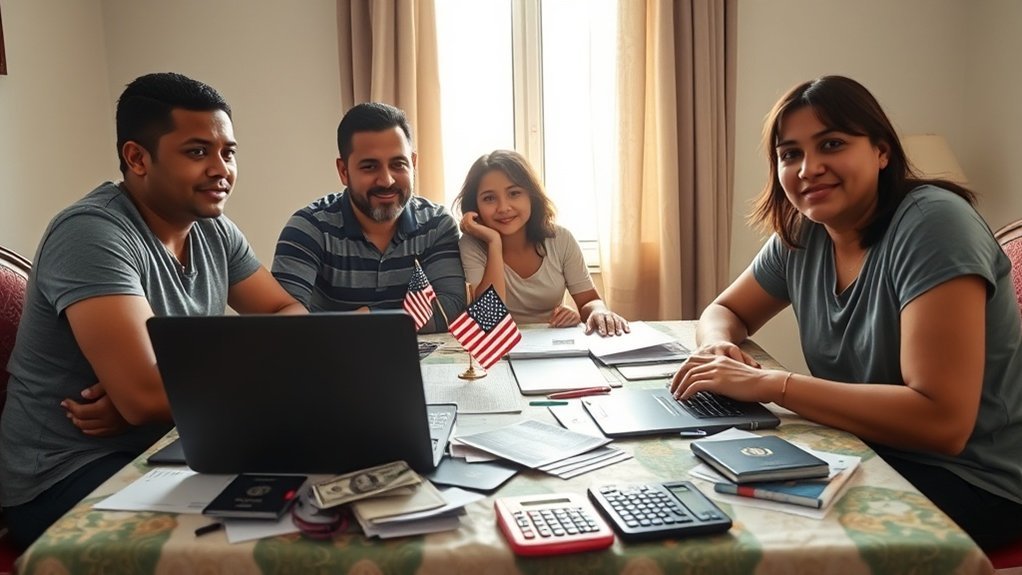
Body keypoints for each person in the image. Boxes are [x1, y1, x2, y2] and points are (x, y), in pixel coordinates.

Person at [669, 75, 1022, 550]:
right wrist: (719, 346)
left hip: (973, 479)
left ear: (881, 152)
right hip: (864, 448)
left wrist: (773, 385)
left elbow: (942, 423)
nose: (809, 168)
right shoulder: (803, 232)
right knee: (698, 484)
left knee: (748, 535)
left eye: (831, 144)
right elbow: (725, 309)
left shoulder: (935, 224)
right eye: (790, 154)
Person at [0, 72, 306, 548]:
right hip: (66, 473)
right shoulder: (90, 234)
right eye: (197, 152)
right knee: (250, 538)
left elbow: (288, 312)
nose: (221, 169)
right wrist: (154, 400)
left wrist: (172, 393)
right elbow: (144, 397)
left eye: (228, 152)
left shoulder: (214, 229)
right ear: (137, 158)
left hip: (165, 442)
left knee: (307, 490)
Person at [272, 103, 465, 332]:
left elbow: (451, 309)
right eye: (370, 167)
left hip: (416, 356)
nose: (387, 180)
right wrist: (381, 320)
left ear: (413, 164)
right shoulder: (308, 228)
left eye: (398, 164)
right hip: (332, 353)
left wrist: (369, 316)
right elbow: (286, 322)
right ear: (344, 171)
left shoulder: (437, 225)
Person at [455, 150, 628, 336]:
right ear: (475, 205)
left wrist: (598, 311)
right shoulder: (471, 246)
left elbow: (588, 301)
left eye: (514, 193)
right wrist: (494, 243)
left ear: (531, 195)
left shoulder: (560, 239)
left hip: (553, 343)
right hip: (501, 344)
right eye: (489, 198)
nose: (504, 207)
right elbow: (488, 318)